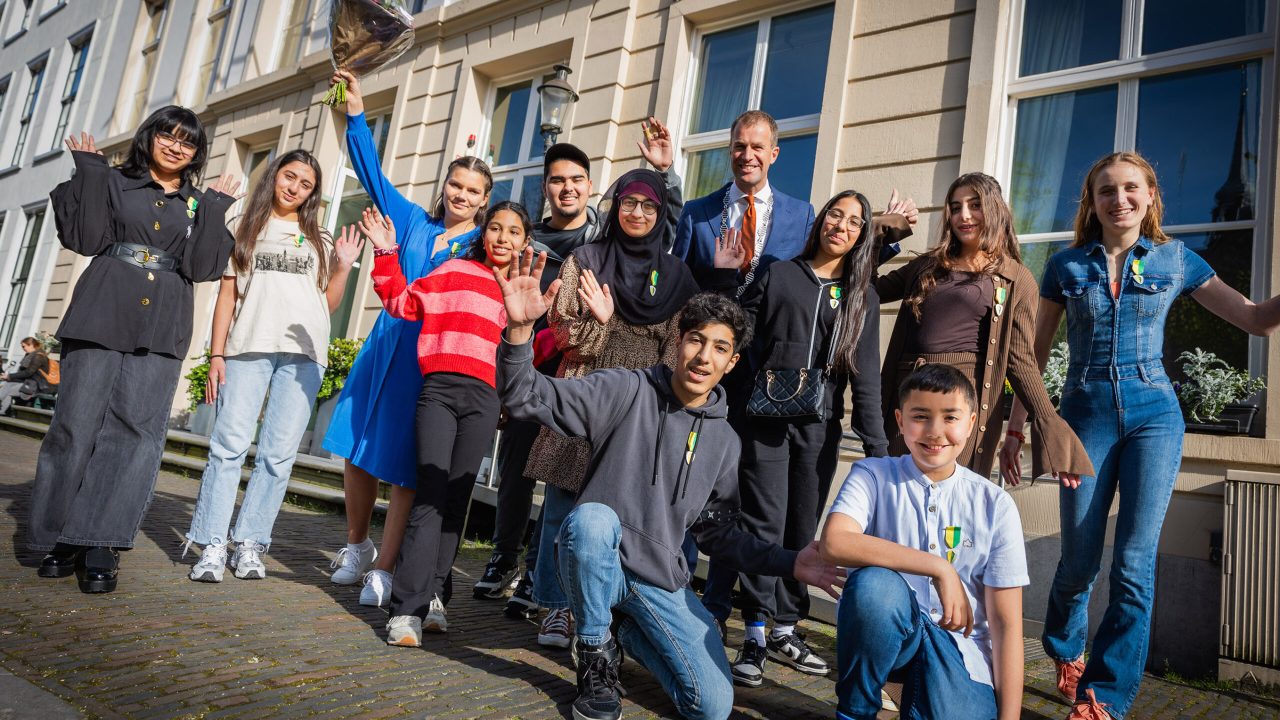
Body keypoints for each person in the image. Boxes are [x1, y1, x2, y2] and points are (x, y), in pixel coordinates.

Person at [498, 254, 842, 720]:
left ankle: (626, 629)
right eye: (695, 340)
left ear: (732, 361)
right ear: (677, 342)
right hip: (600, 557)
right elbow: (526, 396)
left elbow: (718, 535)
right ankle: (597, 655)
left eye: (719, 348)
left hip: (659, 580)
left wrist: (789, 562)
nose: (704, 356)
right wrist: (519, 333)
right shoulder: (625, 390)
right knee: (593, 519)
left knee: (713, 707)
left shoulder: (724, 441)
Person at [1005, 152, 1280, 720]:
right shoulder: (1065, 267)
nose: (1119, 199)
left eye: (1132, 188)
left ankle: (1103, 696)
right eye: (1106, 190)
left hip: (1156, 414)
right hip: (1085, 417)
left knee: (1133, 561)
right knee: (1080, 558)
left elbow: (1254, 319)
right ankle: (1064, 647)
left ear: (1151, 196)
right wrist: (1018, 427)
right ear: (1093, 202)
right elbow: (1031, 357)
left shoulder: (1177, 259)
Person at [28, 108, 240, 593]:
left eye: (187, 143)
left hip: (163, 324)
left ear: (196, 154)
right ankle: (60, 535)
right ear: (149, 137)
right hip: (102, 311)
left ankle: (100, 539)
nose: (175, 146)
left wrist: (214, 208)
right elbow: (84, 238)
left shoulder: (197, 202)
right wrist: (89, 171)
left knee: (136, 434)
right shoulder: (112, 182)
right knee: (75, 425)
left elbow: (205, 267)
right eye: (167, 134)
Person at [700, 191, 908, 685]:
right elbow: (738, 333)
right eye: (835, 214)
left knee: (802, 529)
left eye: (856, 222)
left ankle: (785, 628)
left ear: (862, 237)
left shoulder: (863, 297)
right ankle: (753, 630)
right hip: (765, 423)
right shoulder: (778, 273)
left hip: (819, 428)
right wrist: (728, 280)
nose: (843, 225)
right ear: (820, 222)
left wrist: (879, 450)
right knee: (762, 524)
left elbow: (867, 379)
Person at [474, 124, 680, 617]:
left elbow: (673, 342)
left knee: (607, 502)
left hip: (624, 396)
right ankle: (530, 579)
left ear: (589, 186)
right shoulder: (552, 244)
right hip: (555, 382)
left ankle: (590, 601)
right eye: (556, 179)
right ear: (545, 186)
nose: (567, 187)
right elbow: (552, 320)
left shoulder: (653, 263)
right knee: (539, 486)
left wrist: (663, 173)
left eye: (577, 179)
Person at [322, 70, 491, 608]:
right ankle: (356, 544)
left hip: (430, 359)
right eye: (456, 186)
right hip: (384, 343)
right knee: (354, 447)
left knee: (401, 462)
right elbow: (371, 175)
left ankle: (387, 567)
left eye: (473, 192)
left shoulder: (482, 249)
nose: (462, 196)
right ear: (445, 186)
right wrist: (356, 114)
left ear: (485, 200)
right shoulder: (414, 220)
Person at [521, 164, 698, 649]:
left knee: (618, 514)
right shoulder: (588, 258)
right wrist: (603, 328)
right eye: (628, 203)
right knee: (561, 505)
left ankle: (599, 613)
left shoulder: (678, 276)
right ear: (615, 206)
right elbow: (567, 333)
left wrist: (611, 321)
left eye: (648, 206)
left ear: (661, 213)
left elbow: (674, 350)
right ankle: (555, 607)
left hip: (641, 408)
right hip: (585, 394)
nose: (637, 213)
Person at [183, 150, 364, 582]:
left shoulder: (319, 236)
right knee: (228, 448)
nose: (295, 188)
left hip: (304, 355)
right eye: (289, 177)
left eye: (305, 184)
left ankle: (249, 542)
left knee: (278, 457)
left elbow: (329, 302)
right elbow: (227, 296)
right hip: (249, 347)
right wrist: (216, 355)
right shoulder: (243, 227)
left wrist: (341, 266)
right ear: (275, 177)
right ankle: (211, 543)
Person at [361, 201, 530, 645]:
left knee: (457, 501)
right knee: (430, 495)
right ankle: (407, 610)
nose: (502, 238)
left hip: (484, 399)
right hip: (438, 391)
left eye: (513, 232)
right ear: (483, 233)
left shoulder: (520, 290)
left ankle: (436, 595)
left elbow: (521, 354)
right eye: (495, 228)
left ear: (524, 243)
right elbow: (400, 301)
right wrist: (385, 253)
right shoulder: (452, 268)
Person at [820, 363, 1027, 720]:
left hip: (960, 652)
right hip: (889, 636)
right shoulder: (873, 475)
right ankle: (856, 711)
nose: (935, 432)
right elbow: (835, 542)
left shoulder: (995, 504)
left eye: (950, 417)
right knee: (874, 586)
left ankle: (916, 699)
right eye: (920, 416)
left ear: (972, 421)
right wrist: (939, 567)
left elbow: (1007, 626)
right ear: (900, 421)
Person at [876, 172, 1093, 482]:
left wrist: (1053, 435)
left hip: (963, 404)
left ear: (994, 209)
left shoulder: (1016, 279)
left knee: (950, 502)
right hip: (911, 398)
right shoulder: (926, 266)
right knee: (896, 495)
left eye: (974, 205)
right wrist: (886, 231)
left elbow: (1022, 363)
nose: (964, 215)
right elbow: (862, 291)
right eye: (955, 207)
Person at [672, 110, 815, 291]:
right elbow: (677, 286)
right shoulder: (696, 213)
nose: (747, 156)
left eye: (757, 147)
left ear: (774, 154)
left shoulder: (802, 217)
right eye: (740, 146)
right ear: (730, 151)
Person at [0, 337, 50, 415]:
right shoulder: (30, 355)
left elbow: (28, 373)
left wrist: (10, 376)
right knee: (7, 384)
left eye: (24, 346)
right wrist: (8, 377)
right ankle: (2, 409)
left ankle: (2, 411)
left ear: (31, 345)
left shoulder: (39, 356)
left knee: (10, 390)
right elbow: (23, 373)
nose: (23, 349)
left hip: (37, 385)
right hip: (27, 382)